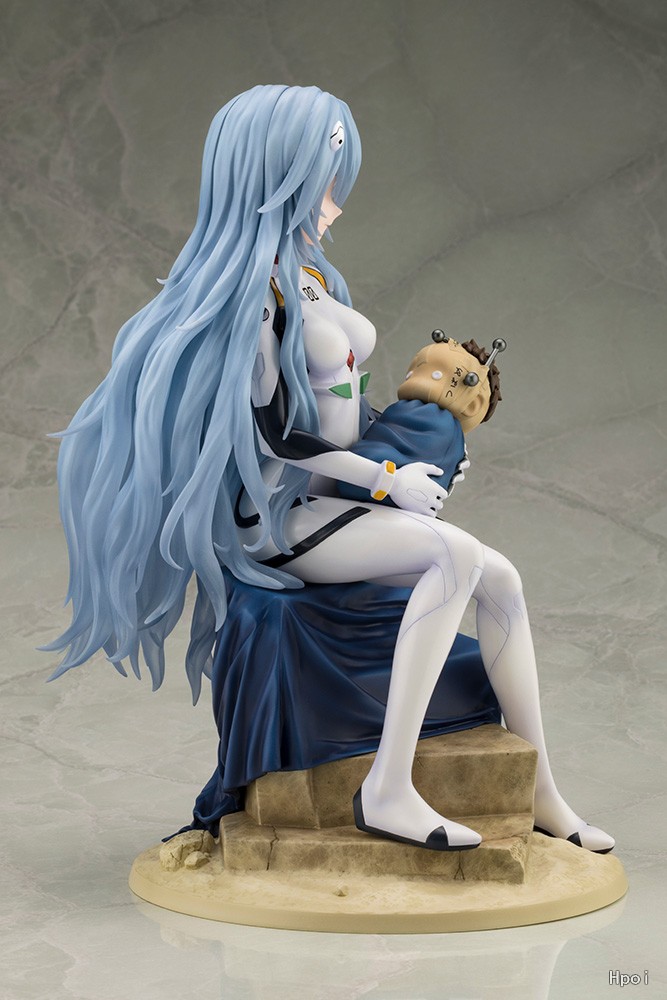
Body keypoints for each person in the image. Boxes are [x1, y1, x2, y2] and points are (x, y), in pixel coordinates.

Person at [45, 84, 614, 854]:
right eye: (320, 177)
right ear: (270, 174)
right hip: (283, 521)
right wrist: (385, 483)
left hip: (339, 501)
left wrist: (416, 450)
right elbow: (277, 436)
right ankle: (386, 789)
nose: (334, 202)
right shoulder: (249, 301)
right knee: (453, 556)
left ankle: (542, 788)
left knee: (502, 579)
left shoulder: (310, 280)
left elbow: (340, 409)